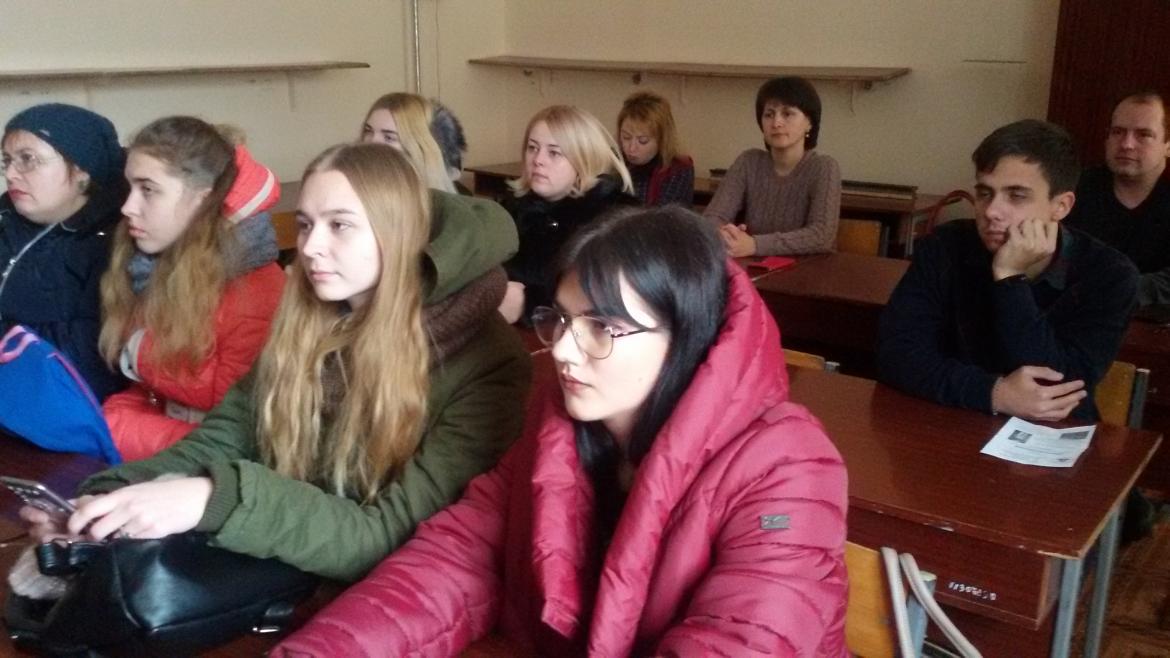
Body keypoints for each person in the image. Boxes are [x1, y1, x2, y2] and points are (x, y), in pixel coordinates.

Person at [274, 207, 849, 657]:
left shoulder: (787, 467)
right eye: (564, 320)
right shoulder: (557, 428)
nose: (564, 351)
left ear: (686, 335)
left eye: (602, 326)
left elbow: (742, 641)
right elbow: (453, 561)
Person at [20, 143, 531, 583]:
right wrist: (106, 501)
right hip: (278, 563)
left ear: (400, 236)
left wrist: (215, 498)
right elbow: (224, 438)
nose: (310, 247)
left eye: (340, 225)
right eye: (305, 225)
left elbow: (390, 535)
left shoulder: (490, 364)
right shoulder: (308, 321)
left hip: (378, 596)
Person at [877, 120, 1138, 422]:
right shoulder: (946, 245)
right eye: (985, 193)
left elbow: (1054, 388)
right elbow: (895, 355)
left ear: (1061, 206)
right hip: (950, 422)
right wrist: (995, 393)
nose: (991, 211)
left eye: (1016, 196)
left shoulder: (1110, 275)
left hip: (1050, 438)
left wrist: (1010, 278)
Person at [98, 117, 285, 461]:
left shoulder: (257, 289)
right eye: (130, 188)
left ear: (202, 200)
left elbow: (232, 422)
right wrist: (111, 419)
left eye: (148, 190)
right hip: (175, 450)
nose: (127, 207)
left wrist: (136, 355)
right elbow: (149, 394)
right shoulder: (153, 267)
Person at [0, 103, 128, 401]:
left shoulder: (113, 244)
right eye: (7, 160)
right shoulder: (5, 220)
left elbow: (91, 360)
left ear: (82, 170)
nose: (11, 174)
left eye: (28, 159)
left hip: (51, 405)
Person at [500, 105, 636, 323]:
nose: (538, 160)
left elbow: (607, 302)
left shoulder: (611, 223)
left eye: (554, 153)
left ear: (583, 159)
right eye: (532, 148)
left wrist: (529, 304)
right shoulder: (510, 211)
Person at [703, 76, 842, 257]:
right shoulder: (749, 162)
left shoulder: (824, 167)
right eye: (769, 114)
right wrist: (725, 235)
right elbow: (712, 218)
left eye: (787, 114)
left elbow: (821, 236)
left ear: (809, 122)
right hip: (754, 266)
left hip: (808, 268)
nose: (776, 123)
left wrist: (755, 245)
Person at [1065, 91, 1170, 307]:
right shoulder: (1074, 189)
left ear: (1167, 145)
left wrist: (1116, 289)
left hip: (1151, 322)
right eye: (1118, 132)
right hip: (1074, 312)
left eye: (1143, 134)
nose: (1127, 144)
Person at [360, 93, 457, 193]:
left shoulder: (434, 197)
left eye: (389, 138)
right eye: (368, 131)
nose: (372, 142)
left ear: (414, 147)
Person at [617, 90, 694, 206]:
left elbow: (663, 215)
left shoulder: (679, 169)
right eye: (626, 137)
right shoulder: (613, 162)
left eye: (643, 141)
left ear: (662, 140)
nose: (631, 148)